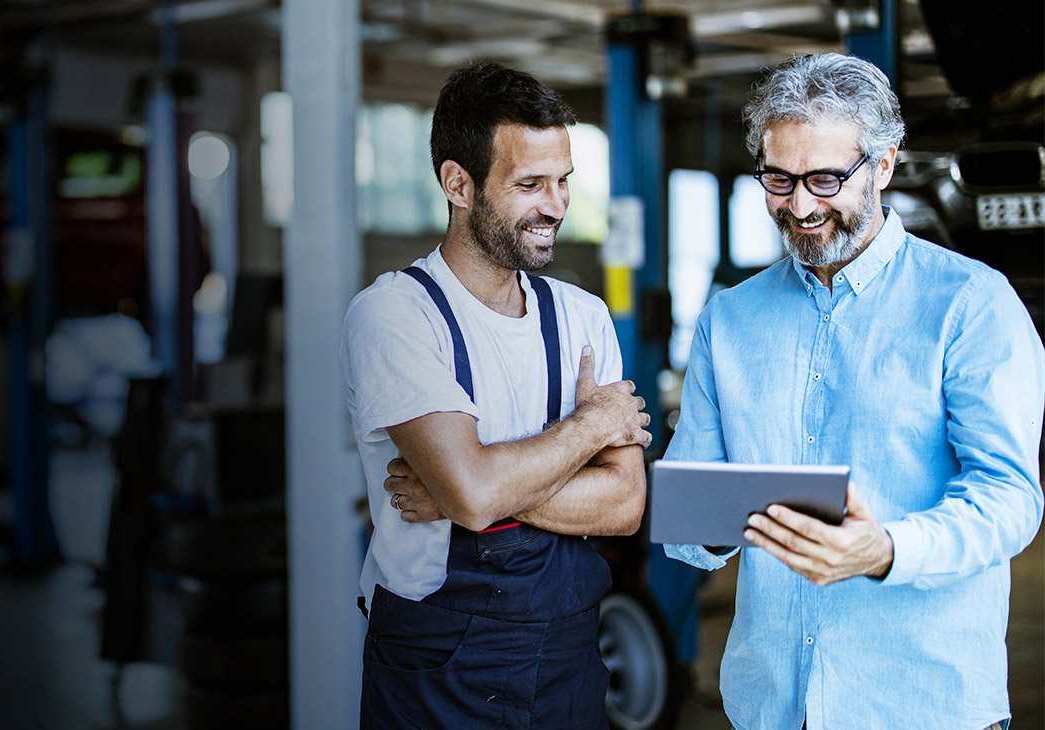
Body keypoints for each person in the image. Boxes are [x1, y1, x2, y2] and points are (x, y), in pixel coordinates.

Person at [664, 53, 1045, 730]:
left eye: (825, 179)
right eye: (778, 179)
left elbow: (1011, 499)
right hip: (772, 704)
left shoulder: (972, 305)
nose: (801, 206)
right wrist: (692, 517)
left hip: (923, 706)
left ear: (885, 165)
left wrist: (889, 549)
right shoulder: (729, 319)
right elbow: (692, 519)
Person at [340, 61, 651, 729]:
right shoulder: (396, 314)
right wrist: (591, 430)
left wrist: (480, 488)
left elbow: (624, 504)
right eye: (529, 185)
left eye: (563, 182)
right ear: (458, 183)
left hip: (568, 656)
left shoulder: (583, 317)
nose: (557, 207)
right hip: (440, 671)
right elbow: (474, 494)